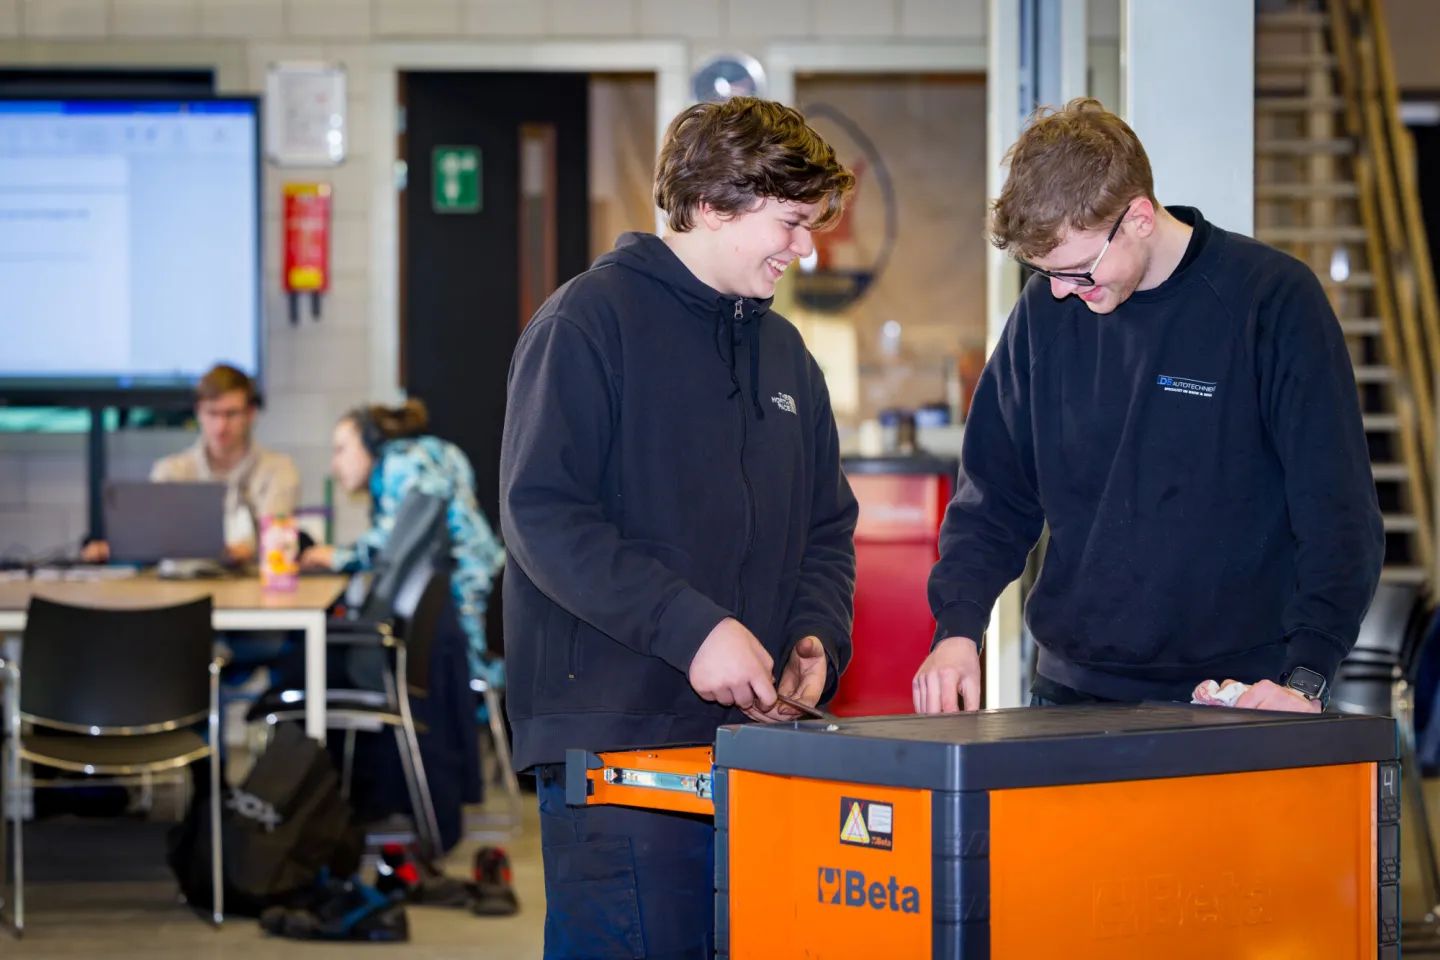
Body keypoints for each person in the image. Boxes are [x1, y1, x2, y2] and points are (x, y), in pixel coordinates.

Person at [500, 96, 859, 959]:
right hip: (621, 751)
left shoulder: (786, 356)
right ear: (710, 205)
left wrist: (815, 634)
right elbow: (541, 514)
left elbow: (825, 525)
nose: (803, 247)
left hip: (753, 751)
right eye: (788, 222)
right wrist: (694, 631)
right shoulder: (587, 324)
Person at [913, 98, 1385, 716]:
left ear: (1137, 216)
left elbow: (1337, 512)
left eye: (1078, 270)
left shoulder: (1269, 301)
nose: (1061, 291)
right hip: (1071, 692)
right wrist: (957, 629)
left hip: (1241, 696)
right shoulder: (1044, 313)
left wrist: (1304, 677)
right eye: (1043, 271)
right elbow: (995, 498)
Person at [300, 399, 505, 688]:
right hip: (488, 596)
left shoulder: (401, 463)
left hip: (463, 615)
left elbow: (393, 539)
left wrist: (335, 556)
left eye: (341, 450)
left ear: (370, 443)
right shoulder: (434, 451)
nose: (335, 464)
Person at [82, 363, 300, 565]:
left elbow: (276, 544)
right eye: (212, 413)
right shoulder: (171, 471)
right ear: (198, 413)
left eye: (231, 414)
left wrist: (247, 550)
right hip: (182, 593)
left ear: (250, 414)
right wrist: (122, 548)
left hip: (253, 594)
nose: (221, 426)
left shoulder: (278, 470)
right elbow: (154, 543)